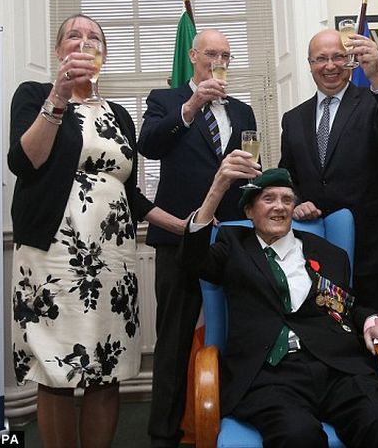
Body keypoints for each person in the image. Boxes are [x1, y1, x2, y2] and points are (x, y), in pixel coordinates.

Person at [8, 14, 185, 448]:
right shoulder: (34, 95)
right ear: (58, 50)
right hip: (54, 255)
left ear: (104, 54)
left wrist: (184, 225)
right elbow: (24, 162)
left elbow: (133, 195)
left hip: (113, 257)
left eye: (94, 38)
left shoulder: (120, 114)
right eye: (74, 35)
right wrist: (59, 96)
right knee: (56, 370)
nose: (85, 42)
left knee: (108, 367)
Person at [180, 159, 378, 448]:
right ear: (249, 211)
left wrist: (373, 319)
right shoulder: (232, 245)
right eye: (268, 199)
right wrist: (217, 189)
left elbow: (345, 305)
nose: (279, 206)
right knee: (297, 435)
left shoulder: (329, 253)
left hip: (336, 369)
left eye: (286, 199)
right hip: (269, 375)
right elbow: (192, 262)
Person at [138, 28, 257, 446]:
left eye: (226, 54)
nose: (219, 60)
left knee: (242, 333)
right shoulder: (165, 100)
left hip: (235, 240)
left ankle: (234, 421)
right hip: (180, 239)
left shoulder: (243, 111)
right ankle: (163, 434)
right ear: (193, 56)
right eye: (211, 53)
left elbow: (249, 170)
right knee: (173, 341)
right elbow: (148, 146)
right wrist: (192, 105)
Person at [278, 29, 378, 323]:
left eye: (338, 57)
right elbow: (287, 174)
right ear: (309, 64)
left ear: (351, 61)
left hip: (373, 251)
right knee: (332, 343)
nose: (330, 65)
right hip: (316, 252)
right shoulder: (293, 119)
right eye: (321, 59)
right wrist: (297, 201)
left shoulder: (373, 101)